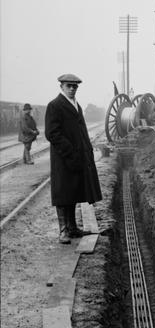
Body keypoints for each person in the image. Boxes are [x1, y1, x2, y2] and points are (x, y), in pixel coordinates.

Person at [45, 74, 102, 244]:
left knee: (72, 191)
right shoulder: (54, 105)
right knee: (62, 193)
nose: (72, 89)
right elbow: (52, 133)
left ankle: (72, 227)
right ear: (61, 86)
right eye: (69, 86)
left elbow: (81, 131)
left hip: (76, 157)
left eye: (75, 86)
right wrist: (69, 150)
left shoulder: (76, 105)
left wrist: (86, 151)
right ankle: (63, 230)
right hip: (63, 158)